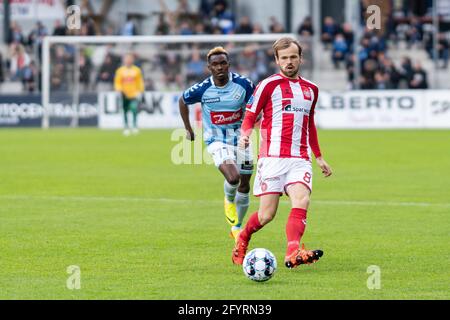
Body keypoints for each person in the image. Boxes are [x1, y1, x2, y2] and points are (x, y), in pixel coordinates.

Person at [232, 37, 332, 269]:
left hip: (299, 159)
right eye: (284, 58)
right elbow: (250, 114)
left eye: (293, 57)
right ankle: (243, 237)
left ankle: (293, 251)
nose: (289, 62)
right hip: (272, 158)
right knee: (267, 215)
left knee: (301, 199)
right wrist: (245, 134)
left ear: (300, 58)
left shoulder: (311, 90)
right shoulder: (268, 85)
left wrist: (318, 156)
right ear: (277, 60)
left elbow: (310, 124)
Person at [179, 47, 255, 239]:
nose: (219, 67)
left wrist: (254, 125)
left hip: (241, 139)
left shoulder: (244, 84)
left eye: (223, 63)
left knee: (245, 185)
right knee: (233, 178)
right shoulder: (203, 88)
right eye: (215, 64)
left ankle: (237, 227)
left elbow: (257, 105)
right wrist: (188, 128)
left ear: (228, 64)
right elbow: (183, 100)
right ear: (209, 67)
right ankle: (228, 200)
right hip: (216, 140)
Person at [114, 53, 144, 136]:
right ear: (124, 60)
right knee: (125, 110)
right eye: (126, 59)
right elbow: (117, 82)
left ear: (132, 60)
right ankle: (126, 127)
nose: (128, 61)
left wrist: (140, 91)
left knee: (134, 108)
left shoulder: (136, 70)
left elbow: (139, 81)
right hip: (124, 94)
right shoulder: (120, 71)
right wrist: (119, 90)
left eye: (129, 59)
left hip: (134, 93)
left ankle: (134, 126)